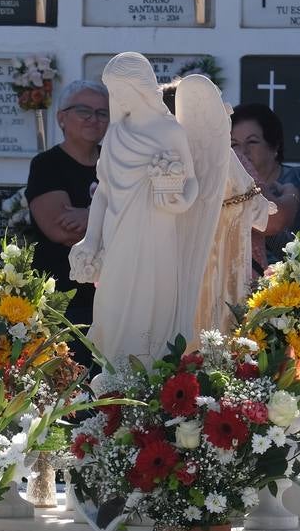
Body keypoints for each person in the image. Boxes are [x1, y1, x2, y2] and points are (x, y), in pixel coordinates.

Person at [69, 52, 198, 365]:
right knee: (112, 307)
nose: (117, 98)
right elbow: (103, 192)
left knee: (152, 308)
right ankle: (114, 376)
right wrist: (91, 238)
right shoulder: (116, 133)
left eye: (121, 90)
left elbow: (192, 183)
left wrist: (180, 201)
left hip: (158, 236)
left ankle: (149, 378)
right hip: (118, 235)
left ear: (141, 88)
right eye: (114, 91)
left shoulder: (171, 132)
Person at [23, 80, 108, 365]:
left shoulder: (116, 165)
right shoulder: (48, 165)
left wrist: (88, 216)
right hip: (64, 299)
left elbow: (139, 222)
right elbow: (61, 230)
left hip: (111, 296)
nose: (93, 119)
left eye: (102, 113)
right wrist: (111, 218)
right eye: (84, 111)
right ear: (62, 117)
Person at [182, 82, 274, 340]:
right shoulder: (217, 155)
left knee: (216, 308)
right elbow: (248, 196)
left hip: (216, 247)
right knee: (211, 307)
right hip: (211, 248)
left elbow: (245, 191)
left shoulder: (195, 154)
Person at [230, 103, 300, 272]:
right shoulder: (228, 190)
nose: (242, 151)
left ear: (274, 146)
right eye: (234, 144)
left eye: (252, 142)